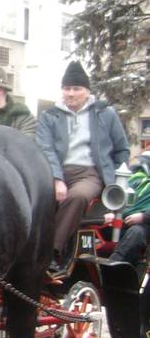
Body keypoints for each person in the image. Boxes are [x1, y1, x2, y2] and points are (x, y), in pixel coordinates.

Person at [36, 61, 130, 268]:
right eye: (66, 88)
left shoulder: (105, 114)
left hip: (89, 174)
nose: (70, 93)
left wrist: (113, 183)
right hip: (55, 170)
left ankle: (50, 251)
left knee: (76, 197)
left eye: (76, 88)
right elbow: (45, 149)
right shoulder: (49, 116)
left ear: (87, 91)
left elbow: (122, 149)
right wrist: (57, 179)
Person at [107, 152, 150, 265]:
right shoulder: (136, 176)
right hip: (121, 220)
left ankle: (111, 267)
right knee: (92, 228)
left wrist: (143, 217)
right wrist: (110, 211)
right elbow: (116, 194)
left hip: (144, 226)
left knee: (136, 233)